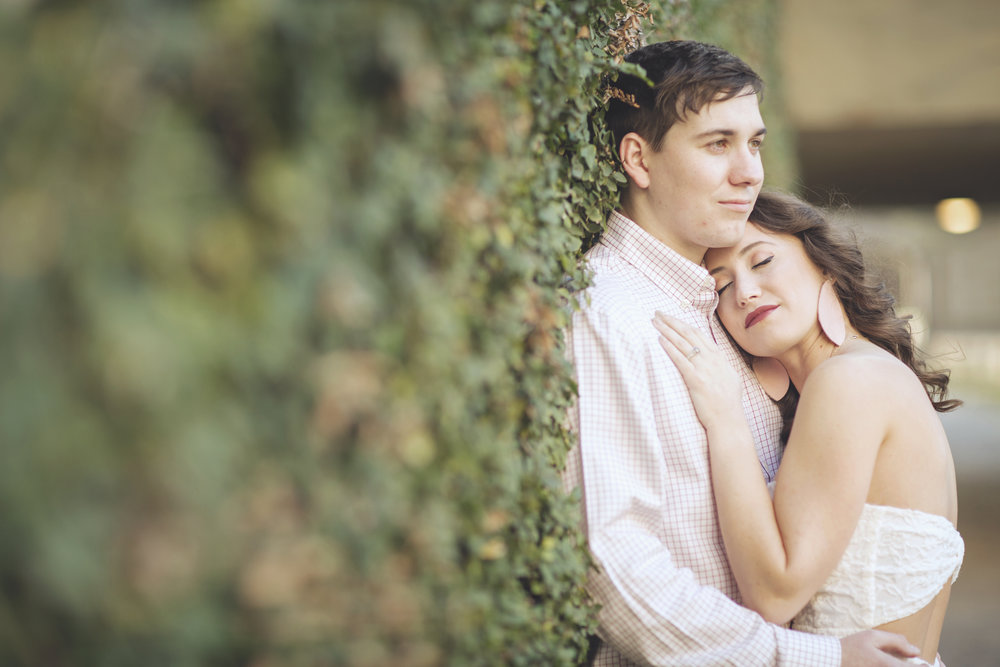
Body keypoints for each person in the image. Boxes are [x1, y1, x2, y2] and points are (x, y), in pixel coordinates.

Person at [563, 39, 921, 665]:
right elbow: (615, 565)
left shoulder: (727, 314)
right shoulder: (609, 312)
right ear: (638, 160)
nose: (750, 172)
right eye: (717, 144)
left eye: (753, 143)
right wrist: (815, 658)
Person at [653, 191, 964, 666]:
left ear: (824, 265)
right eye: (720, 286)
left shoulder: (849, 381)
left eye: (762, 261)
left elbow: (776, 594)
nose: (745, 292)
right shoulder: (862, 377)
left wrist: (725, 420)